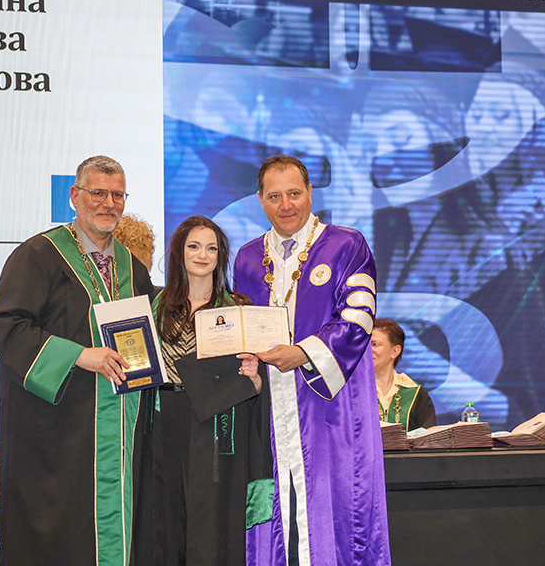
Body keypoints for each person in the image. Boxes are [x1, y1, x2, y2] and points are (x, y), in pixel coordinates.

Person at [0, 155, 154, 566]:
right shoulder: (38, 255)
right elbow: (7, 325)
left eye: (118, 195)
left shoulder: (132, 268)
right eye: (98, 193)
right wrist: (79, 355)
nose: (108, 203)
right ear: (75, 196)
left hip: (117, 433)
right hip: (55, 436)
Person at [235, 155, 390, 566]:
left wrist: (302, 353)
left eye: (294, 194)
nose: (285, 205)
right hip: (268, 410)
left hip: (330, 409)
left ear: (309, 194)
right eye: (274, 196)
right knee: (274, 516)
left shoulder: (346, 245)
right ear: (260, 200)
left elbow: (359, 317)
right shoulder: (247, 258)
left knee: (337, 512)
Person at [132, 215, 270, 566]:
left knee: (210, 527)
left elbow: (256, 380)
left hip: (217, 427)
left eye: (211, 248)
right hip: (162, 422)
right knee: (162, 520)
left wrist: (254, 379)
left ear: (221, 256)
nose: (202, 255)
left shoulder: (238, 309)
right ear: (179, 252)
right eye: (193, 246)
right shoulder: (152, 305)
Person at [373, 318, 436, 431]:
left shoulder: (415, 393)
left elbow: (429, 436)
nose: (368, 350)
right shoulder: (352, 391)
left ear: (395, 351)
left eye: (375, 344)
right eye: (364, 345)